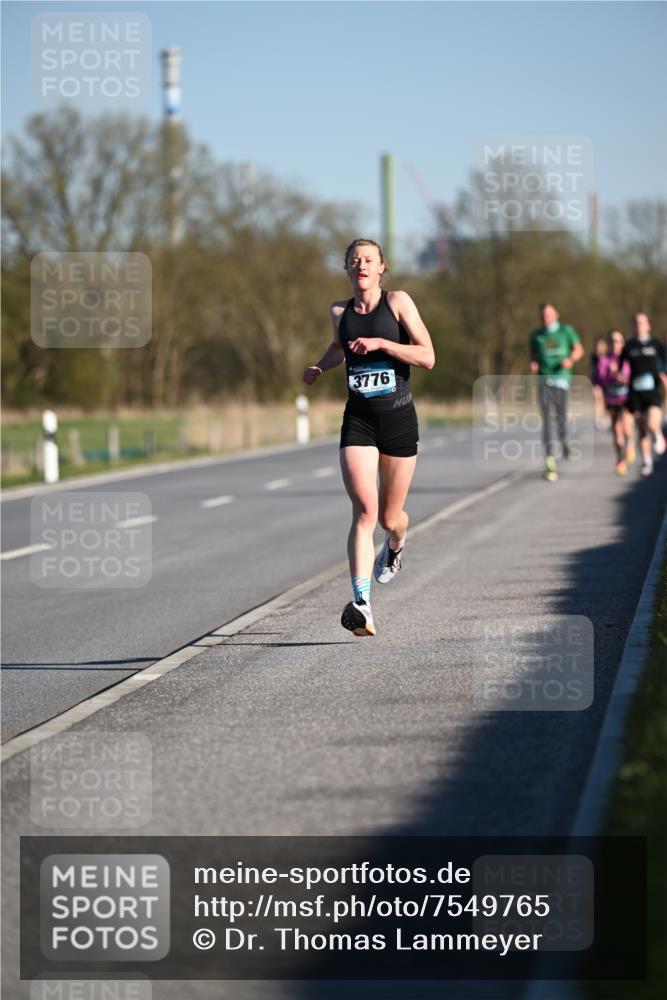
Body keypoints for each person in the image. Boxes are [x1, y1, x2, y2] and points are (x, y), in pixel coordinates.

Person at [302, 238, 435, 636]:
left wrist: (382, 344)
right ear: (347, 268)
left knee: (390, 518)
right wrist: (320, 366)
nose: (361, 265)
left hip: (398, 420)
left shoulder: (397, 303)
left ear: (381, 268)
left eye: (368, 260)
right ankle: (362, 603)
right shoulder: (338, 311)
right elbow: (339, 347)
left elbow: (427, 356)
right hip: (358, 420)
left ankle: (395, 545)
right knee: (364, 510)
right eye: (354, 260)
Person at [529, 303, 585, 482]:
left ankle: (564, 439)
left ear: (556, 315)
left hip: (562, 380)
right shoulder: (536, 335)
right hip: (544, 380)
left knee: (561, 418)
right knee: (547, 421)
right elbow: (533, 355)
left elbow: (579, 350)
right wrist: (534, 363)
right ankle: (550, 460)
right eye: (543, 314)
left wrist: (570, 359)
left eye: (549, 314)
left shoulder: (566, 331)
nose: (546, 317)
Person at [620, 312, 667, 476]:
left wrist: (664, 376)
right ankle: (647, 461)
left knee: (652, 423)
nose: (639, 325)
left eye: (642, 322)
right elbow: (621, 367)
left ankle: (658, 434)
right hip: (635, 392)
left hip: (652, 390)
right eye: (636, 322)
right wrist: (620, 376)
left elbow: (664, 363)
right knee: (641, 428)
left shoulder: (656, 344)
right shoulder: (629, 346)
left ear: (648, 325)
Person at [595, 330, 634, 474]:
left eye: (617, 341)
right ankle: (620, 459)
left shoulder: (628, 359)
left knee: (627, 428)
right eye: (611, 341)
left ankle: (630, 445)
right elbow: (600, 379)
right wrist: (611, 375)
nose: (614, 344)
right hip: (612, 400)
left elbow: (632, 376)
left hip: (627, 399)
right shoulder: (604, 360)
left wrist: (623, 378)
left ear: (623, 343)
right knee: (617, 433)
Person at [591, 336, 611, 430]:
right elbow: (592, 371)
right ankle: (598, 419)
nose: (599, 347)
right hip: (598, 382)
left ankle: (608, 417)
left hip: (608, 382)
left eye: (601, 345)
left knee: (607, 401)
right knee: (597, 398)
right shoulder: (594, 358)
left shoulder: (609, 357)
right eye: (598, 345)